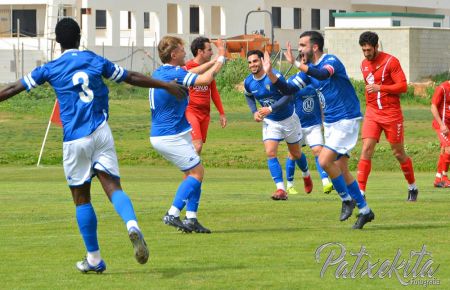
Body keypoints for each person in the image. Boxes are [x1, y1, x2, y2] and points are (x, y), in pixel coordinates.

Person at [0, 18, 189, 273]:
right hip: (101, 131)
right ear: (80, 38)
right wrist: (165, 84)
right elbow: (130, 76)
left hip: (75, 138)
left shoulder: (51, 67)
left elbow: (13, 87)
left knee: (81, 198)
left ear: (58, 42)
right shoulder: (94, 60)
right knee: (113, 186)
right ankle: (131, 224)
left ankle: (94, 259)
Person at [262, 31, 374, 229]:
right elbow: (287, 89)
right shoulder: (309, 71)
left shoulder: (330, 61)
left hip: (346, 119)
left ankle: (346, 199)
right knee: (343, 169)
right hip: (330, 123)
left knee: (323, 160)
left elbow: (323, 74)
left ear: (314, 47)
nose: (299, 49)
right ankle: (365, 211)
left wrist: (296, 64)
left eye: (302, 45)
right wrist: (270, 72)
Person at [150, 36, 225, 233]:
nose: (185, 53)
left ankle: (191, 218)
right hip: (169, 135)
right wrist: (222, 57)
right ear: (174, 54)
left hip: (170, 132)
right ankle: (173, 213)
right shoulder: (173, 73)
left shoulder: (161, 72)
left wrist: (211, 61)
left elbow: (191, 71)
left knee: (193, 173)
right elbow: (206, 79)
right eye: (182, 50)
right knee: (197, 172)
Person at [357, 31, 418, 201]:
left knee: (398, 153)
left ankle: (412, 186)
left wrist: (380, 88)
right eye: (364, 50)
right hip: (372, 113)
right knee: (366, 149)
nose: (366, 53)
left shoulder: (391, 62)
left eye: (369, 50)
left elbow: (403, 86)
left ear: (376, 47)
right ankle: (360, 193)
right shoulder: (363, 64)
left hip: (391, 114)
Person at [244, 50, 313, 201]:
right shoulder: (248, 82)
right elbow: (248, 95)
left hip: (289, 119)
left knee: (296, 154)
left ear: (263, 61)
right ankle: (281, 189)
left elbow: (288, 96)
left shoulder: (275, 76)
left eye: (255, 61)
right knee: (270, 153)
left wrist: (270, 108)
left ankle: (306, 174)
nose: (252, 65)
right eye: (249, 62)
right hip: (271, 122)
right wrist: (254, 111)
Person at [285, 83, 333, 195]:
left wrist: (323, 119)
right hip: (296, 126)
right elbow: (286, 103)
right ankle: (290, 185)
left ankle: (326, 182)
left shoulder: (315, 82)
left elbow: (321, 102)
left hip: (314, 125)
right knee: (293, 155)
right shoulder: (292, 82)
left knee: (319, 151)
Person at [185, 37, 227, 154]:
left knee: (197, 148)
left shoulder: (208, 68)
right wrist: (221, 50)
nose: (212, 52)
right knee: (196, 146)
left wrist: (221, 113)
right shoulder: (188, 67)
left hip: (205, 114)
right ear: (200, 52)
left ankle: (192, 172)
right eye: (209, 50)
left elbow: (213, 91)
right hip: (191, 111)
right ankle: (192, 171)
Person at [431, 80, 450, 187]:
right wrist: (442, 125)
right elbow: (433, 107)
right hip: (442, 125)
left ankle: (438, 179)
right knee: (449, 148)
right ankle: (445, 178)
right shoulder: (442, 88)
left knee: (444, 151)